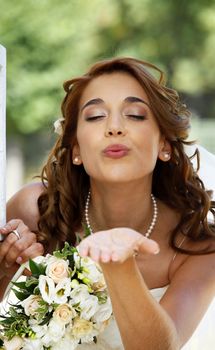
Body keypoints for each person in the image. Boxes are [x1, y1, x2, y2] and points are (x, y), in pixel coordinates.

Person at [0, 57, 215, 350]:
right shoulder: (34, 209)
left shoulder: (199, 246)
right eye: (96, 116)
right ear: (75, 148)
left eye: (135, 115)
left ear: (164, 144)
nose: (114, 127)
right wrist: (2, 273)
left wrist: (119, 265)